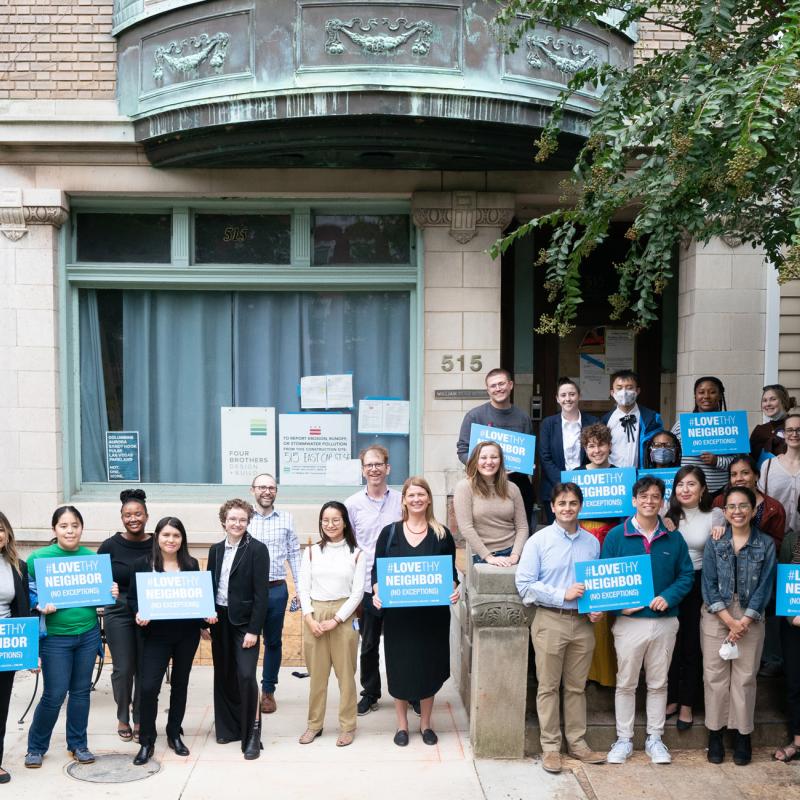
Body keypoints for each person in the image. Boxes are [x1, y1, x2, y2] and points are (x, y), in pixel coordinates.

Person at [515, 482, 607, 774]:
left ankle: (578, 744)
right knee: (548, 687)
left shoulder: (592, 543)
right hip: (550, 619)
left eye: (573, 503)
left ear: (581, 506)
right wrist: (561, 594)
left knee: (576, 688)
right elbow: (524, 584)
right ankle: (551, 748)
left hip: (582, 624)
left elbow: (594, 584)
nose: (567, 508)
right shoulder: (538, 541)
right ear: (552, 507)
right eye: (562, 503)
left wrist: (596, 607)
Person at [602, 476, 694, 765]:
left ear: (663, 501)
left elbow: (686, 575)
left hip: (665, 620)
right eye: (644, 496)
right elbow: (604, 579)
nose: (650, 501)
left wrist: (669, 596)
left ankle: (655, 738)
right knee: (626, 683)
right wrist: (619, 607)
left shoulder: (673, 537)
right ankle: (624, 739)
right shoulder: (617, 536)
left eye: (656, 496)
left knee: (658, 683)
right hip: (630, 624)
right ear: (634, 500)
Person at [25, 506, 119, 768]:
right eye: (64, 525)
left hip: (88, 635)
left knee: (80, 693)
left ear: (81, 528)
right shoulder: (37, 559)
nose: (70, 530)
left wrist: (111, 591)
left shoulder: (91, 558)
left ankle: (78, 744)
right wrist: (38, 602)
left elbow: (102, 597)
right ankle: (36, 747)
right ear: (54, 529)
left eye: (75, 525)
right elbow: (27, 594)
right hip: (55, 638)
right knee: (54, 694)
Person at [372, 477, 459, 747]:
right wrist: (377, 592)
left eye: (421, 494)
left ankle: (426, 724)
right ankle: (401, 725)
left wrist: (454, 589)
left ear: (429, 499)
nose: (416, 499)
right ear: (404, 500)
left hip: (431, 617)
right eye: (411, 495)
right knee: (400, 668)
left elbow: (451, 574)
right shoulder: (389, 533)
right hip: (400, 618)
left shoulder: (442, 534)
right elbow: (377, 571)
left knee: (428, 667)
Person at [128, 516, 215, 765]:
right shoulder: (142, 564)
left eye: (176, 536)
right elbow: (132, 599)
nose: (171, 540)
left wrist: (205, 620)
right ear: (157, 537)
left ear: (182, 540)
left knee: (180, 684)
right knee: (148, 688)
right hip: (155, 636)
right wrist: (138, 613)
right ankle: (146, 740)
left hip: (185, 635)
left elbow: (197, 599)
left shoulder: (190, 564)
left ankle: (174, 732)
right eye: (166, 535)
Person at [701, 486, 776, 766]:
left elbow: (765, 585)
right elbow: (707, 584)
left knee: (745, 678)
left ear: (754, 509)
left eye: (743, 506)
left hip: (750, 614)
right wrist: (729, 620)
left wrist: (743, 620)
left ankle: (743, 735)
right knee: (714, 676)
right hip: (716, 613)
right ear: (725, 511)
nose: (737, 511)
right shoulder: (715, 541)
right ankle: (716, 734)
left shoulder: (765, 544)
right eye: (731, 507)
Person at [298, 502, 365, 747]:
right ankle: (314, 724)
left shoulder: (357, 553)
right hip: (314, 613)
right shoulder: (312, 552)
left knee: (346, 676)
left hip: (344, 615)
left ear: (345, 522)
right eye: (325, 520)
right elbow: (303, 587)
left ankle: (347, 726)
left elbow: (358, 593)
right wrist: (309, 618)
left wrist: (336, 620)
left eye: (336, 520)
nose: (330, 525)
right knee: (317, 676)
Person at [206, 499, 269, 759]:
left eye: (242, 519)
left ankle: (252, 733)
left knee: (245, 675)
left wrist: (254, 630)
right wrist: (204, 620)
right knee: (224, 674)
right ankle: (228, 728)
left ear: (248, 521)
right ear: (224, 521)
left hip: (244, 624)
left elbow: (261, 595)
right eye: (232, 519)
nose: (237, 523)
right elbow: (209, 585)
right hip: (218, 620)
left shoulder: (257, 549)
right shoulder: (215, 549)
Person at [714, 455, 786, 678]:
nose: (739, 478)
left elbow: (778, 544)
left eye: (745, 473)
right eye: (734, 474)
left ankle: (770, 659)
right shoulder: (718, 503)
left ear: (756, 476)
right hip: (727, 583)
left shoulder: (773, 507)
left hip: (759, 576)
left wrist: (751, 540)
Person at [345, 446, 402, 716]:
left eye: (379, 464)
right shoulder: (352, 504)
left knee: (402, 641)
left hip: (401, 584)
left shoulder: (403, 500)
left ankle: (407, 691)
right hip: (367, 585)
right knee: (368, 643)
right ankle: (370, 692)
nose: (374, 469)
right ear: (363, 470)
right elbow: (349, 546)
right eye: (369, 465)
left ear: (388, 468)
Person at [97, 488, 152, 742]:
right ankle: (122, 716)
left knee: (145, 667)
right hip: (118, 610)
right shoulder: (109, 546)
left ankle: (141, 717)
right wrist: (108, 588)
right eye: (128, 514)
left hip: (149, 609)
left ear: (146, 515)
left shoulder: (157, 543)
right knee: (123, 667)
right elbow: (98, 582)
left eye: (138, 514)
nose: (133, 519)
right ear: (122, 517)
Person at [664, 466, 713, 732]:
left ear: (703, 489)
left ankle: (687, 703)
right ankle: (671, 698)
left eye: (691, 484)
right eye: (680, 485)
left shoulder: (715, 515)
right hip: (670, 584)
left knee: (692, 645)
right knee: (671, 643)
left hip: (698, 583)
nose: (685, 489)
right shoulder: (666, 514)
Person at [248, 473, 301, 716]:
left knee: (273, 642)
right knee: (247, 641)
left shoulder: (287, 519)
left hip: (276, 590)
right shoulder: (243, 518)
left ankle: (267, 691)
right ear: (253, 490)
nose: (267, 491)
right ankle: (246, 689)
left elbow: (295, 556)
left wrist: (301, 590)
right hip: (247, 592)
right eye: (262, 487)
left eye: (271, 487)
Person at [457, 367, 535, 523]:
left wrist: (527, 464)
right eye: (493, 386)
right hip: (484, 487)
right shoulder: (475, 416)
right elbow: (463, 451)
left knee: (521, 530)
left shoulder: (523, 418)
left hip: (517, 485)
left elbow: (528, 454)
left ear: (511, 385)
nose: (498, 389)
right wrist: (484, 467)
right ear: (487, 390)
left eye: (502, 384)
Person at [573, 422, 619, 687]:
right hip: (583, 539)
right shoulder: (577, 475)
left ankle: (607, 673)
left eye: (601, 444)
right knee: (587, 602)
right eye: (591, 445)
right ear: (585, 448)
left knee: (607, 604)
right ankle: (587, 672)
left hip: (611, 540)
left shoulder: (620, 475)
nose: (597, 450)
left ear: (609, 446)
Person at [453, 441, 528, 566]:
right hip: (481, 556)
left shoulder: (512, 488)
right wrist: (489, 557)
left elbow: (522, 527)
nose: (489, 462)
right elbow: (466, 528)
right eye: (483, 457)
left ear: (500, 461)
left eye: (494, 457)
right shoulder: (464, 487)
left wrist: (515, 555)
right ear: (475, 461)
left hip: (513, 554)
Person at [0, 511, 32, 784]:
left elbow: (23, 610)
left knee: (1, 705)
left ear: (7, 533)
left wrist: (29, 652)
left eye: (0, 529)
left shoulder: (17, 566)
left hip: (5, 643)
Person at [538, 378, 597, 523]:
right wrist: (563, 483)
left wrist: (579, 481)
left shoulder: (593, 422)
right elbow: (545, 458)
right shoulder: (548, 424)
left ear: (579, 396)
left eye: (572, 394)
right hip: (554, 488)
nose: (568, 399)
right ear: (557, 399)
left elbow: (596, 454)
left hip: (586, 487)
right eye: (563, 395)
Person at [671, 376, 734, 495]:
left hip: (721, 491)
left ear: (720, 395)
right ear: (695, 396)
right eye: (701, 392)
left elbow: (740, 462)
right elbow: (671, 457)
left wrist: (717, 461)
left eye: (712, 392)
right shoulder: (681, 425)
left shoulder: (730, 424)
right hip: (688, 491)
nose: (706, 396)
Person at [774, 525, 800, 762]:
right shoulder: (792, 541)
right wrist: (793, 617)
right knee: (795, 683)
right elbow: (784, 582)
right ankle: (797, 740)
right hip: (795, 625)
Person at [600, 370, 663, 469]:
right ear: (612, 392)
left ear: (637, 391)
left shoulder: (651, 418)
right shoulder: (605, 421)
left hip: (641, 476)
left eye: (629, 388)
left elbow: (658, 449)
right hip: (613, 476)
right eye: (619, 388)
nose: (624, 392)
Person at [759, 410, 800, 537]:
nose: (794, 434)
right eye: (790, 430)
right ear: (783, 433)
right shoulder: (769, 465)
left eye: (799, 430)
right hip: (774, 535)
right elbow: (761, 500)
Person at [750, 384, 794, 464]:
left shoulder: (795, 427)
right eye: (764, 400)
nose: (768, 404)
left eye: (773, 399)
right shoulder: (759, 430)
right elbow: (750, 460)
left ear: (783, 402)